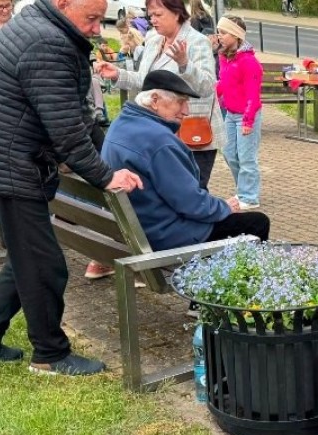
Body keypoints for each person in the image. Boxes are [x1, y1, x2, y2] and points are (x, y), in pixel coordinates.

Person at [0, 0, 144, 376]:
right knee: (45, 265)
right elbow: (66, 130)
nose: (98, 29)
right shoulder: (47, 43)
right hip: (7, 166)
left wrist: (104, 158)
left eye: (101, 18)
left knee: (26, 258)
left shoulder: (39, 25)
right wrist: (106, 176)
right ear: (63, 4)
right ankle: (50, 354)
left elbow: (73, 113)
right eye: (92, 18)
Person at [102, 70, 269, 251]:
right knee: (257, 223)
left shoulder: (122, 122)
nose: (186, 111)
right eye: (180, 102)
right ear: (155, 100)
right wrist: (224, 207)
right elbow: (191, 204)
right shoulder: (158, 141)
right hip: (163, 235)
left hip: (135, 226)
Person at [96, 0, 224, 192]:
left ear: (177, 12)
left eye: (158, 15)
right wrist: (117, 74)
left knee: (192, 191)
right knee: (167, 191)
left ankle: (203, 220)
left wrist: (184, 64)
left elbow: (207, 87)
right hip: (158, 133)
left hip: (192, 133)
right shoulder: (154, 40)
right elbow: (147, 81)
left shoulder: (197, 42)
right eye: (151, 15)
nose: (153, 20)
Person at [216, 16, 264, 209]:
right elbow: (224, 83)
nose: (219, 36)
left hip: (247, 114)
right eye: (219, 31)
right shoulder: (224, 57)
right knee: (229, 153)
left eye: (224, 32)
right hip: (230, 113)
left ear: (236, 35)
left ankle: (250, 197)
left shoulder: (249, 62)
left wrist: (248, 121)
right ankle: (243, 189)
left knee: (246, 157)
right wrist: (214, 92)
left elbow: (253, 94)